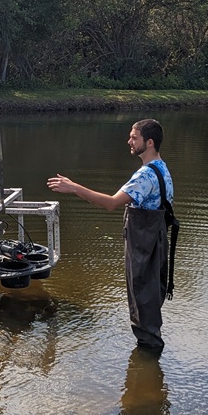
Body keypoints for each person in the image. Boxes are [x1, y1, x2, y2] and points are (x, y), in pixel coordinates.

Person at [47, 118, 174, 351]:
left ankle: (148, 359)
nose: (129, 141)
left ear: (150, 142)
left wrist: (74, 187)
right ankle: (148, 367)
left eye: (134, 137)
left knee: (143, 298)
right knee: (148, 297)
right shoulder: (162, 167)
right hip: (153, 243)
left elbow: (111, 203)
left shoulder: (145, 175)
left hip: (144, 247)